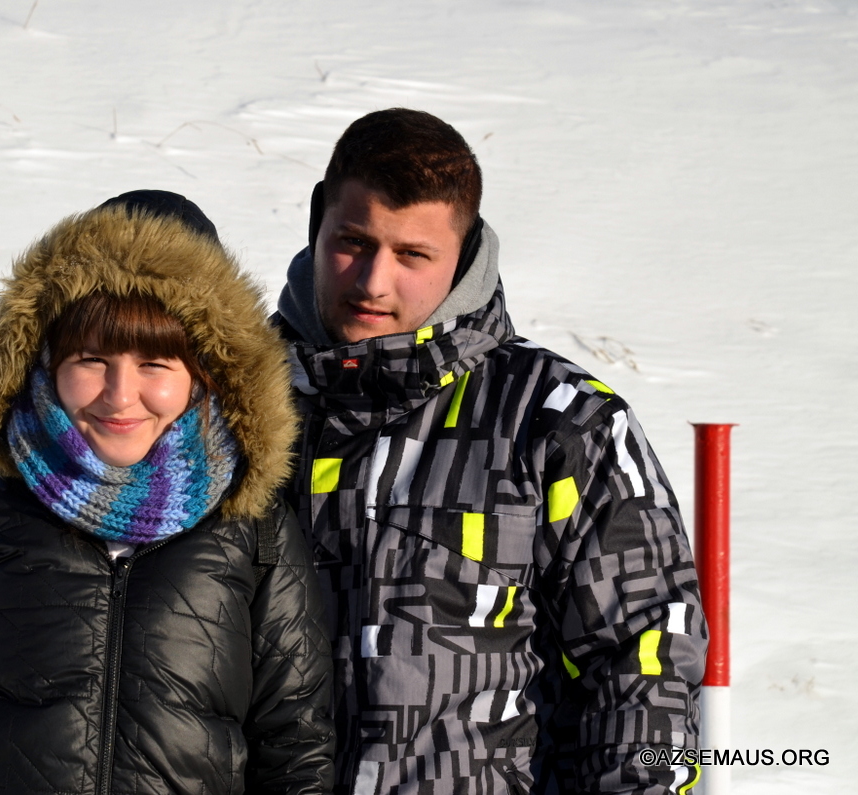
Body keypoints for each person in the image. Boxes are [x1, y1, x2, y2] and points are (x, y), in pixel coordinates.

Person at [0, 191, 335, 795]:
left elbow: (297, 753)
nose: (119, 395)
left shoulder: (255, 532)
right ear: (45, 363)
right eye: (91, 359)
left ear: (208, 376)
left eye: (155, 364)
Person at [272, 110, 707, 794]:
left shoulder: (558, 420)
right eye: (354, 242)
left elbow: (643, 663)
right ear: (317, 220)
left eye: (413, 255)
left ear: (467, 252)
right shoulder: (228, 405)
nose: (374, 281)